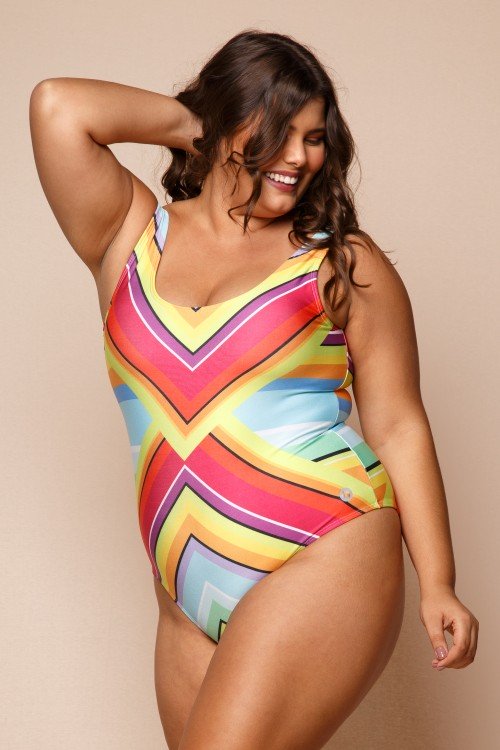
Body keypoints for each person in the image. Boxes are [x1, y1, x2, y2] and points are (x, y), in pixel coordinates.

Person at [30, 28, 478, 750]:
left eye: (315, 138)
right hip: (184, 596)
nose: (300, 157)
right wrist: (204, 130)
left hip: (325, 551)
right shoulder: (128, 238)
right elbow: (57, 107)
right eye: (280, 132)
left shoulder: (338, 264)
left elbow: (399, 423)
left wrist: (439, 581)